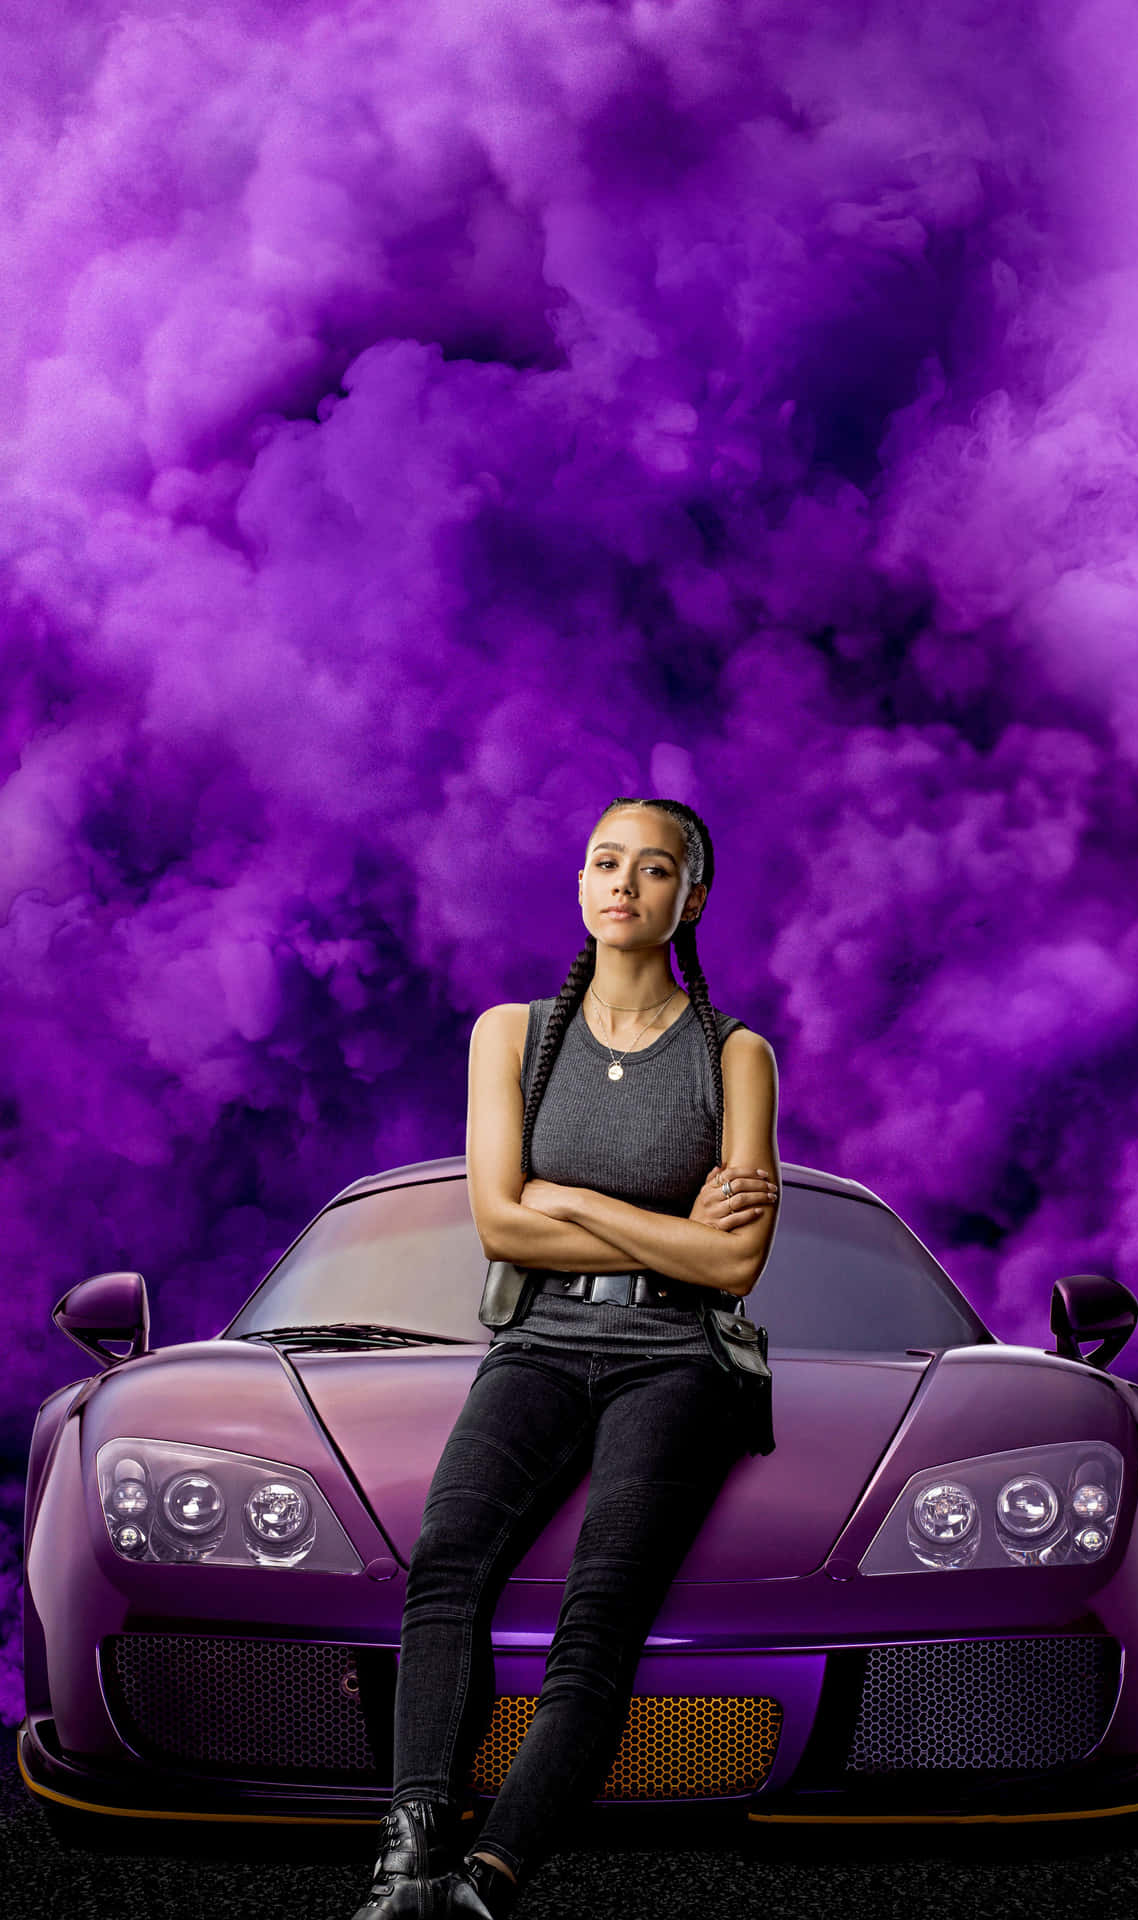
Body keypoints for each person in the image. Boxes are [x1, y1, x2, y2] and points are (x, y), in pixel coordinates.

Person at [349, 795, 780, 1919]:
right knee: (446, 1565)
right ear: (580, 882)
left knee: (599, 1618)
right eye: (603, 862)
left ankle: (489, 1883)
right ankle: (408, 1864)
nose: (622, 884)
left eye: (651, 868)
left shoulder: (735, 1058)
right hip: (539, 1339)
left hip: (676, 1359)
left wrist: (573, 1194)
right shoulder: (512, 1035)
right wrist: (668, 1228)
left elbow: (732, 1269)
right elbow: (499, 1224)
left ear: (691, 895)